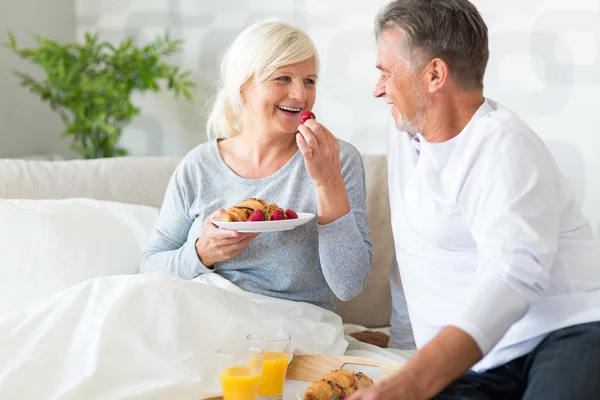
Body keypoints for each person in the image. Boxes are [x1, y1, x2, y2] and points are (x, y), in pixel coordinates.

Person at [350, 0, 600, 399]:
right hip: (475, 363)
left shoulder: (503, 145)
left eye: (385, 73)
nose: (377, 88)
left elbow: (514, 274)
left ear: (434, 74)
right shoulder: (402, 132)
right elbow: (412, 250)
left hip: (561, 330)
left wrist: (415, 380)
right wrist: (401, 346)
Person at [141, 19, 373, 311]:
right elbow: (150, 266)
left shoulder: (337, 160)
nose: (301, 95)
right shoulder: (198, 167)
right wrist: (202, 253)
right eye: (283, 78)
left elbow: (348, 285)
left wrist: (328, 183)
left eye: (309, 81)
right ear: (243, 89)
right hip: (204, 312)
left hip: (293, 326)